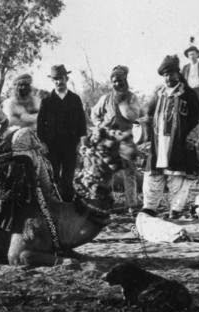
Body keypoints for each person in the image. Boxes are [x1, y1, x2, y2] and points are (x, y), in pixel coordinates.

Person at [139, 55, 199, 219]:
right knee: (154, 175)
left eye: (171, 74)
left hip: (178, 142)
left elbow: (197, 118)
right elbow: (148, 113)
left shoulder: (188, 94)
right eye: (165, 75)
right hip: (159, 142)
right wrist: (143, 130)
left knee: (178, 178)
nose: (168, 78)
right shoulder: (159, 94)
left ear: (178, 74)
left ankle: (176, 209)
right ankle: (150, 207)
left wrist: (191, 138)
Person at [90, 65, 143, 213]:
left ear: (125, 80)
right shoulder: (105, 98)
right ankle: (108, 203)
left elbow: (134, 116)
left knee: (130, 173)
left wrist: (122, 102)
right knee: (107, 172)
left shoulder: (132, 97)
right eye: (114, 81)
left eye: (120, 80)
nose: (118, 83)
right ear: (111, 82)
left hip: (127, 138)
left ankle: (131, 204)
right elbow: (94, 114)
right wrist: (101, 125)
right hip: (109, 139)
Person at [37, 64, 87, 202]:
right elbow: (40, 124)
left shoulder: (75, 99)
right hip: (52, 145)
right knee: (53, 176)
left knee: (68, 176)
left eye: (61, 78)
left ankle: (68, 203)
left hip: (70, 145)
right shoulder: (47, 101)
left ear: (67, 78)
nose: (59, 82)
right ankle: (55, 203)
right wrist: (42, 143)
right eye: (55, 79)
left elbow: (82, 123)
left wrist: (81, 143)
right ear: (52, 81)